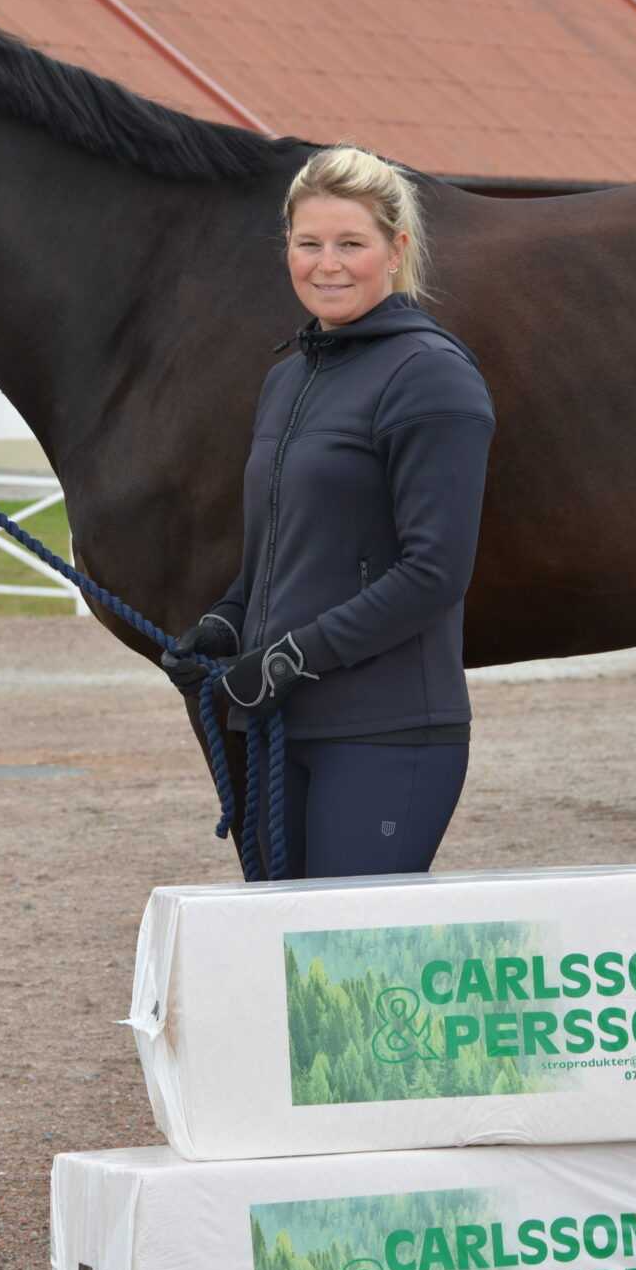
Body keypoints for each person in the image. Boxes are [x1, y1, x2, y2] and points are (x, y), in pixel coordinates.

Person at [162, 144, 496, 878]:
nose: (328, 263)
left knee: (351, 981)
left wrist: (291, 656)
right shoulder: (287, 380)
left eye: (351, 243)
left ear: (396, 249)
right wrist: (229, 619)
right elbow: (283, 550)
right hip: (281, 724)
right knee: (284, 967)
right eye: (309, 243)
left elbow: (435, 570)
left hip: (387, 732)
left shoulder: (431, 377)